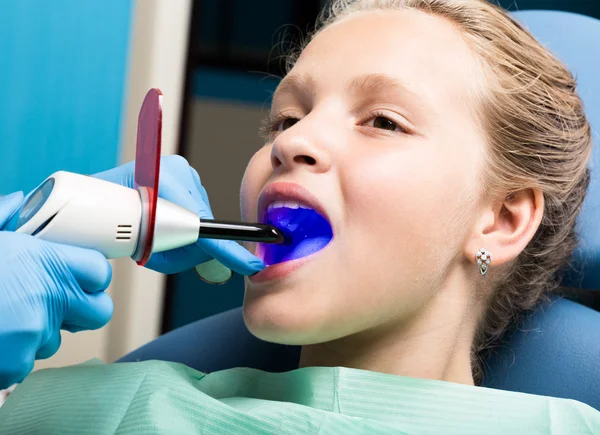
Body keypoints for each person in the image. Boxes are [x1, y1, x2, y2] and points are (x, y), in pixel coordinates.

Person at [0, 0, 598, 433]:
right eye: (285, 119)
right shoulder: (107, 412)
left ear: (501, 218)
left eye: (383, 121)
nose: (293, 141)